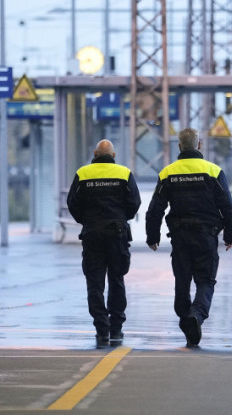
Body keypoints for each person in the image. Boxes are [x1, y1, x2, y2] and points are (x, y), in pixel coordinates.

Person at [145, 128, 232, 347]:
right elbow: (227, 205)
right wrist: (231, 235)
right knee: (206, 281)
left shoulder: (168, 172)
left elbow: (155, 208)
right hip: (206, 236)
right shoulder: (213, 171)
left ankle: (186, 318)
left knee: (182, 280)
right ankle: (196, 316)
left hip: (180, 236)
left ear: (179, 147)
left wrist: (152, 236)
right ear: (199, 145)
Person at [67, 140, 141, 347]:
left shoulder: (83, 173)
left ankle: (101, 328)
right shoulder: (124, 173)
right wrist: (121, 218)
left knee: (95, 282)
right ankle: (116, 327)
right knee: (117, 279)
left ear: (94, 153)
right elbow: (134, 202)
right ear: (114, 155)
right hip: (117, 234)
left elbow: (72, 203)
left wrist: (86, 221)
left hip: (92, 234)